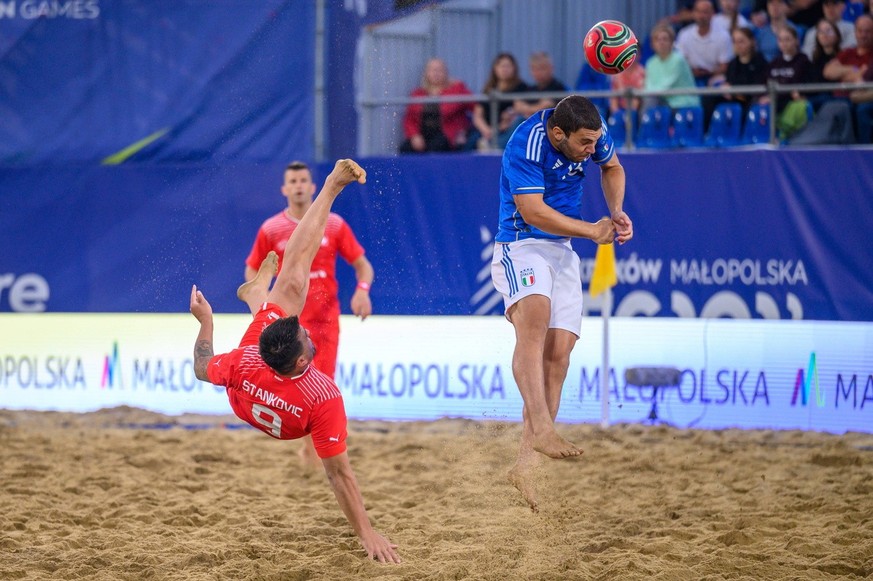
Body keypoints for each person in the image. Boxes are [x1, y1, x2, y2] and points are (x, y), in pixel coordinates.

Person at [190, 159, 400, 564]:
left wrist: (207, 321)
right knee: (293, 279)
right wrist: (367, 534)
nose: (300, 329)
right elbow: (339, 475)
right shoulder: (323, 396)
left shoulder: (246, 358)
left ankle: (258, 298)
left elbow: (203, 367)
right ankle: (258, 295)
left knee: (288, 284)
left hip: (256, 377)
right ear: (304, 359)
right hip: (287, 400)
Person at [490, 95, 631, 512]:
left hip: (563, 250)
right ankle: (545, 430)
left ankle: (524, 466)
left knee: (560, 353)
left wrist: (617, 211)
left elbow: (613, 166)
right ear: (558, 134)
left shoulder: (590, 129)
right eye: (584, 143)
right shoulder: (526, 143)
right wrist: (593, 229)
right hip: (521, 244)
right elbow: (533, 213)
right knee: (534, 321)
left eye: (594, 141)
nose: (592, 149)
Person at [244, 160, 374, 467]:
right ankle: (307, 446)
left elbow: (362, 264)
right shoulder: (271, 228)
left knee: (322, 383)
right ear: (285, 189)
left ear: (313, 187)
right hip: (289, 321)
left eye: (304, 179)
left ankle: (314, 449)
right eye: (293, 181)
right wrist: (259, 302)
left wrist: (363, 290)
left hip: (325, 319)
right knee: (290, 381)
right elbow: (252, 268)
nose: (299, 185)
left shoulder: (335, 224)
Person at [399, 57, 475, 153]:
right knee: (405, 149)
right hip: (421, 135)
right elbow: (409, 119)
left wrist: (465, 130)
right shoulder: (417, 93)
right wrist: (414, 135)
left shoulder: (457, 89)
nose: (436, 73)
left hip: (447, 135)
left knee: (436, 148)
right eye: (432, 70)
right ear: (426, 73)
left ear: (446, 72)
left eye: (440, 70)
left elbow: (477, 108)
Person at [469, 52, 529, 150]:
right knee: (471, 141)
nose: (504, 69)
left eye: (508, 66)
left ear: (514, 68)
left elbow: (518, 112)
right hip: (485, 131)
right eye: (501, 66)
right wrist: (486, 130)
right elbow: (477, 115)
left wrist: (497, 129)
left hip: (505, 130)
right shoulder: (489, 89)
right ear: (495, 68)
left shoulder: (521, 87)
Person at [763, 24, 813, 139]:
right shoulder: (773, 63)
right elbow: (765, 83)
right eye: (780, 40)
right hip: (775, 103)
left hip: (790, 103)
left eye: (787, 39)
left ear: (796, 41)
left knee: (800, 106)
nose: (784, 43)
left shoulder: (803, 61)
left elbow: (797, 87)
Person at [643, 24, 702, 113]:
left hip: (682, 102)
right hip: (662, 101)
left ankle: (644, 126)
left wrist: (649, 92)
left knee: (650, 101)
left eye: (665, 39)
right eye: (657, 40)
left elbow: (666, 85)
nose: (661, 42)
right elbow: (649, 85)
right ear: (652, 44)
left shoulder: (678, 60)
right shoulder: (650, 63)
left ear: (672, 42)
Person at [676, 0, 735, 86]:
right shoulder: (684, 34)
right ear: (693, 13)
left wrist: (709, 73)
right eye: (698, 12)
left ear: (712, 14)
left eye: (705, 12)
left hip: (715, 77)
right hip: (690, 77)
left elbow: (725, 66)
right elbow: (680, 62)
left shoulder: (723, 36)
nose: (701, 16)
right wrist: (692, 72)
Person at [723, 26, 770, 114]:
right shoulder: (732, 64)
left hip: (752, 101)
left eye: (741, 41)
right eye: (735, 42)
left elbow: (758, 86)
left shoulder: (760, 61)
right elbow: (728, 82)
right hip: (735, 99)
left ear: (752, 41)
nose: (737, 45)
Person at [513, 52, 568, 119]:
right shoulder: (530, 88)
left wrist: (527, 110)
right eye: (535, 69)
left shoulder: (558, 88)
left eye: (542, 68)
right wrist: (534, 109)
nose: (539, 72)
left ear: (551, 68)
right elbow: (517, 105)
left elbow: (546, 106)